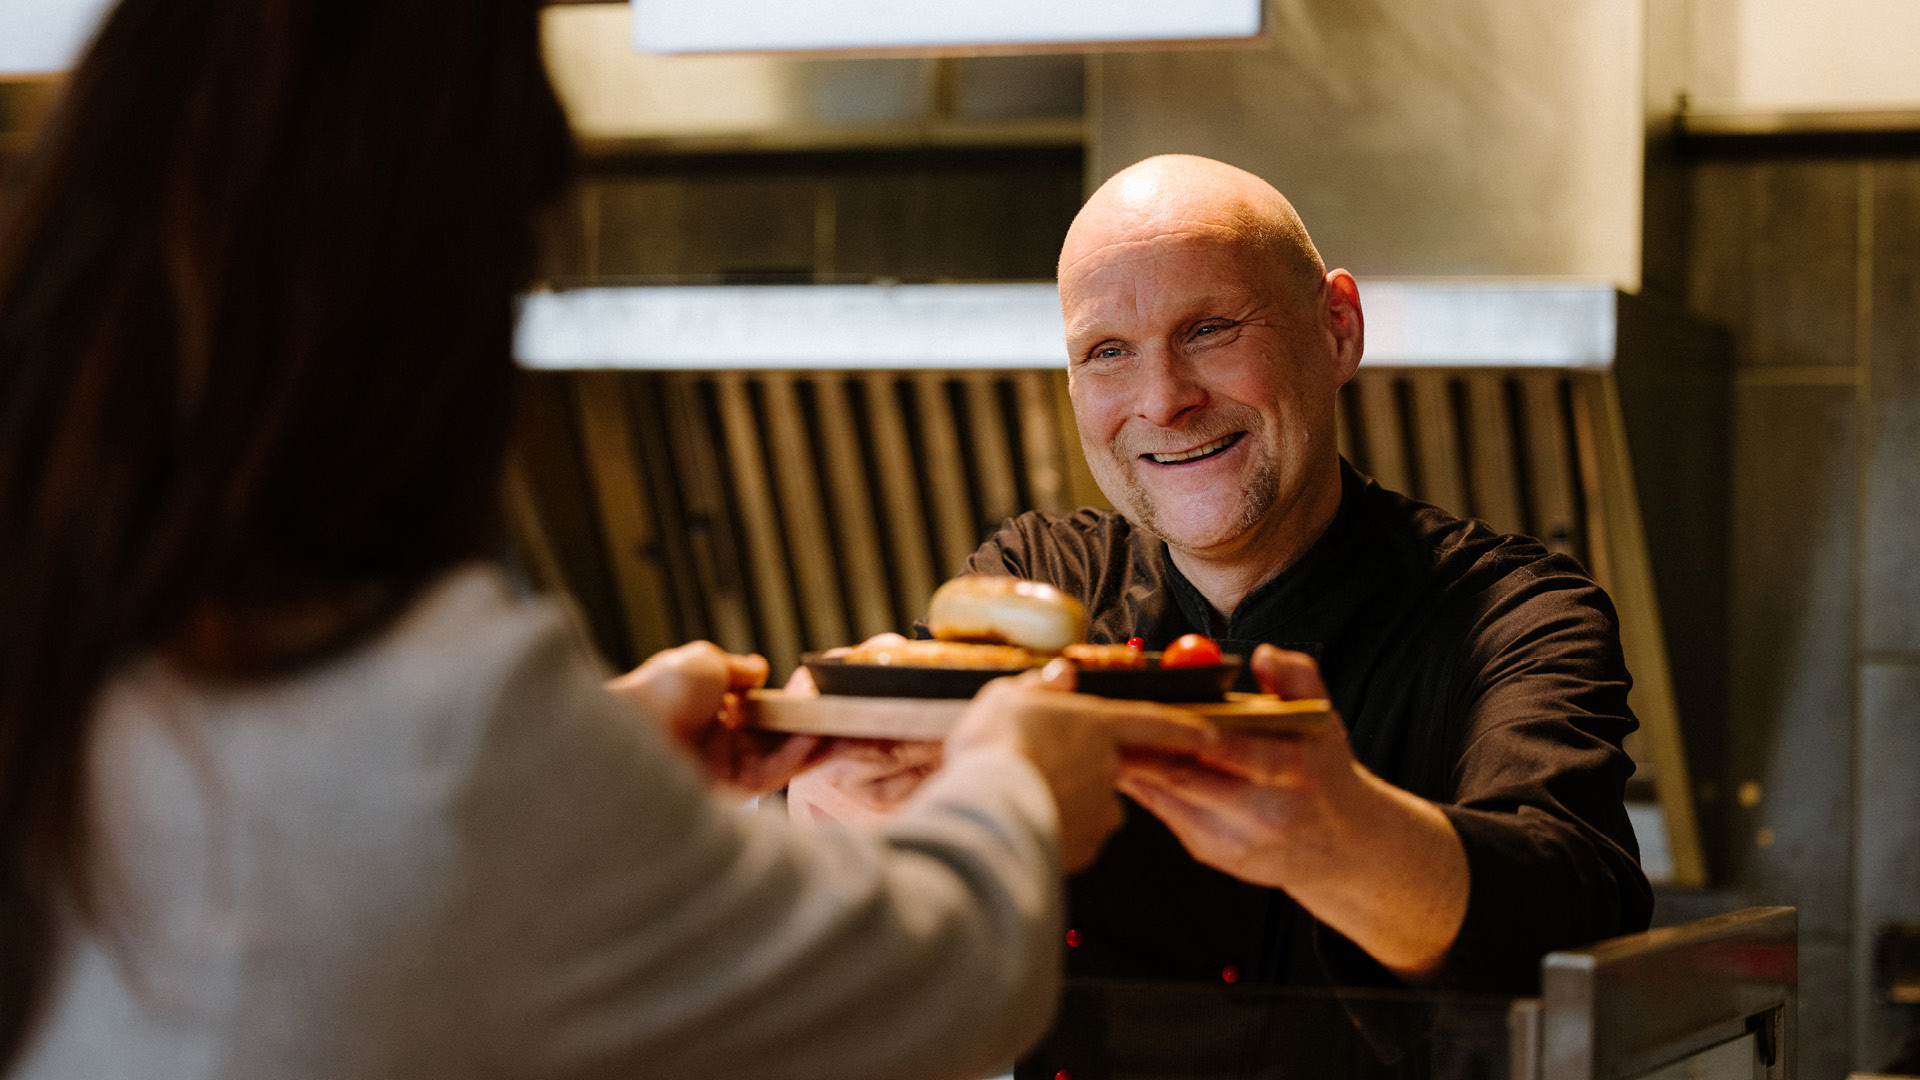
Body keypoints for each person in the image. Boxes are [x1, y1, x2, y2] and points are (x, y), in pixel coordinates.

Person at [0, 5, 1213, 1078]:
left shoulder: (71, 629)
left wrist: (603, 764)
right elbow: (921, 994)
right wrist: (1019, 787)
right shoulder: (446, 719)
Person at [789, 155, 1654, 1011]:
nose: (1163, 400)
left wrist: (1337, 831)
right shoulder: (1038, 580)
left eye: (1210, 330)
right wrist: (828, 785)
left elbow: (1570, 916)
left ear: (1338, 329)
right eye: (1108, 351)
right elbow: (885, 862)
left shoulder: (1517, 613)